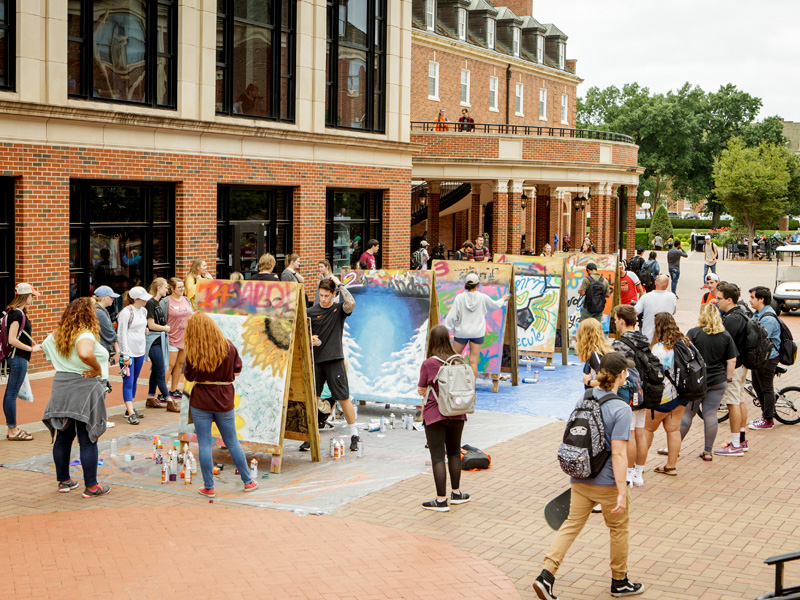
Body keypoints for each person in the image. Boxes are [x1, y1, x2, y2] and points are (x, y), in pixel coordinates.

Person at [532, 352, 643, 600]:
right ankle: (619, 581)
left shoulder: (585, 398)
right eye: (626, 371)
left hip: (580, 478)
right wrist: (622, 490)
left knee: (570, 526)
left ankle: (546, 575)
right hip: (607, 484)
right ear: (621, 375)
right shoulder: (621, 409)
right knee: (618, 529)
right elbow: (618, 454)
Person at [41, 298, 111, 497]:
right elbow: (85, 353)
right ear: (88, 314)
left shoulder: (57, 335)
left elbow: (43, 348)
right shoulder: (85, 334)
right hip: (85, 387)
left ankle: (64, 481)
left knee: (64, 436)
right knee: (88, 438)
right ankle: (92, 487)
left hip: (62, 387)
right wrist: (96, 368)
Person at [183, 312, 258, 497]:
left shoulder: (194, 351)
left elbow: (189, 376)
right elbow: (237, 371)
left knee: (205, 444)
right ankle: (248, 482)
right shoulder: (229, 346)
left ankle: (209, 487)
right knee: (232, 441)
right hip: (224, 399)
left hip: (201, 399)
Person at [416, 324, 471, 511]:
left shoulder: (428, 364)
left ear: (431, 341)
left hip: (435, 414)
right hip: (457, 412)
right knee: (455, 452)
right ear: (448, 339)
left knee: (438, 456)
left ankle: (441, 500)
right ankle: (456, 493)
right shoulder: (458, 360)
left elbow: (422, 389)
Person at [306, 277, 361, 452]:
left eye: (327, 296)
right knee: (312, 399)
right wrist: (310, 340)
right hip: (316, 361)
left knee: (343, 397)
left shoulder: (338, 310)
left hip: (335, 360)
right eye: (321, 295)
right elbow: (301, 334)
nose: (323, 299)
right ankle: (310, 436)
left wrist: (340, 284)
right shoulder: (310, 312)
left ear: (334, 294)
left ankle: (354, 434)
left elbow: (351, 303)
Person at [679, 304, 737, 461]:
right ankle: (708, 451)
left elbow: (684, 355)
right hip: (718, 380)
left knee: (688, 413)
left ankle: (674, 447)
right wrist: (728, 377)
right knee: (710, 413)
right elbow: (731, 360)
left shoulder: (694, 333)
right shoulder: (725, 335)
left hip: (697, 381)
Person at [645, 312, 689, 477]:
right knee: (673, 430)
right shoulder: (685, 343)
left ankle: (637, 467)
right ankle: (671, 466)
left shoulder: (658, 349)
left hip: (662, 396)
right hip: (681, 394)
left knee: (647, 430)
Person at [612, 305, 651, 487]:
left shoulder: (620, 344)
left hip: (630, 392)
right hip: (644, 391)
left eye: (615, 319)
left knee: (631, 433)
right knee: (641, 433)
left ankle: (627, 473)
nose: (615, 323)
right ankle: (638, 473)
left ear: (621, 320)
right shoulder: (643, 338)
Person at [443, 273, 509, 379]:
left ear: (466, 284)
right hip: (477, 333)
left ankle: (453, 382)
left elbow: (452, 316)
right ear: (477, 285)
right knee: (473, 361)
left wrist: (446, 328)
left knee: (453, 358)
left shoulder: (459, 298)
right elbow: (495, 305)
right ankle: (471, 386)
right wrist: (503, 299)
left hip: (462, 332)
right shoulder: (482, 297)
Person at [2, 283, 42, 441]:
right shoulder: (17, 314)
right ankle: (13, 430)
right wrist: (31, 349)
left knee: (10, 394)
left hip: (15, 357)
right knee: (11, 394)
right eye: (32, 296)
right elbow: (12, 339)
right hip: (18, 358)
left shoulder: (13, 312)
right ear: (26, 296)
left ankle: (12, 427)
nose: (33, 298)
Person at [714, 283, 750, 455]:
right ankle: (741, 440)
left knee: (733, 402)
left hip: (734, 366)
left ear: (729, 300)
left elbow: (725, 344)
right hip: (741, 364)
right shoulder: (742, 313)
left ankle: (735, 444)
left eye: (719, 298)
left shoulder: (732, 319)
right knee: (739, 399)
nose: (717, 301)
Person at [748, 286, 781, 431]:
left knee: (766, 388)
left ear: (761, 299)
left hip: (768, 357)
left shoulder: (767, 318)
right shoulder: (758, 314)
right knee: (757, 386)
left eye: (752, 297)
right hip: (759, 358)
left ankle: (768, 419)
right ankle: (765, 415)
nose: (750, 300)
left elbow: (759, 338)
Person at [117, 286, 150, 424]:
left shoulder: (143, 311)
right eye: (143, 299)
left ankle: (130, 407)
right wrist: (124, 354)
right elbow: (122, 333)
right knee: (128, 381)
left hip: (140, 350)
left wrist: (145, 330)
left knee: (135, 379)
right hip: (129, 352)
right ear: (136, 299)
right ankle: (130, 413)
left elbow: (142, 327)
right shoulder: (126, 312)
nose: (145, 301)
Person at [145, 278, 175, 412]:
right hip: (153, 341)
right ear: (158, 288)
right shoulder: (150, 303)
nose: (167, 290)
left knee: (156, 370)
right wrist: (165, 328)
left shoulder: (157, 303)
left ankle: (150, 397)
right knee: (161, 370)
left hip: (160, 340)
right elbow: (151, 324)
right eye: (165, 288)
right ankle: (169, 400)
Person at [164, 277, 193, 401]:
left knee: (180, 364)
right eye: (179, 287)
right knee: (169, 365)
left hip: (185, 337)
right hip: (171, 337)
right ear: (172, 289)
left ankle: (174, 389)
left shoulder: (186, 300)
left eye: (183, 287)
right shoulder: (166, 301)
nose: (182, 289)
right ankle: (163, 391)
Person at [634, 274, 676, 341]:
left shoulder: (645, 297)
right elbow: (673, 312)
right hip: (666, 336)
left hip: (648, 336)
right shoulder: (672, 297)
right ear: (667, 285)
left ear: (655, 282)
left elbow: (635, 312)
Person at [576, 319, 614, 390]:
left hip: (599, 397)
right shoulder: (604, 350)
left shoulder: (595, 354)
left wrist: (589, 382)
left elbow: (607, 381)